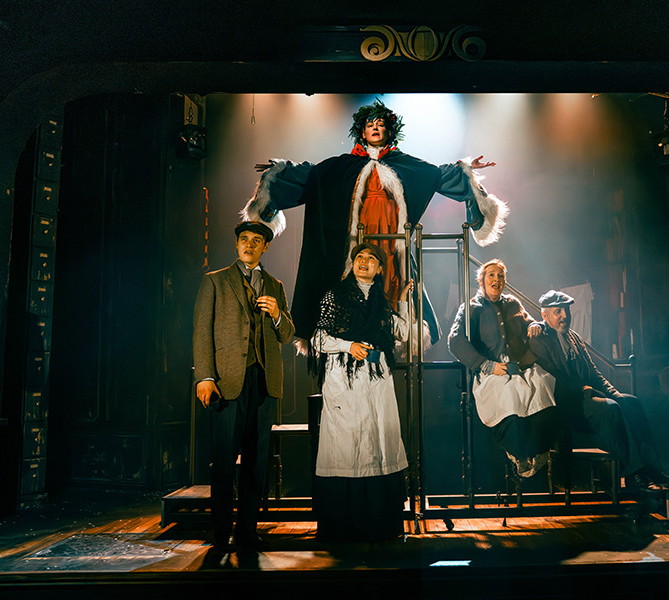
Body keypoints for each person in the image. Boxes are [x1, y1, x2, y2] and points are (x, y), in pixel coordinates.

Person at [242, 99, 509, 348]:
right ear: (362, 131)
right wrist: (279, 173)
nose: (375, 128)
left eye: (380, 124)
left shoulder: (403, 165)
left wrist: (464, 169)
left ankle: (389, 331)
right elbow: (313, 176)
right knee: (352, 283)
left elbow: (436, 175)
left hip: (390, 241)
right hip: (356, 241)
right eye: (370, 124)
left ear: (389, 131)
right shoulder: (343, 166)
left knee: (392, 283)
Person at [192, 220, 295, 551]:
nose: (249, 245)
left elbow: (287, 334)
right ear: (237, 245)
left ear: (265, 247)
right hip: (227, 381)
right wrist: (205, 377)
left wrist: (278, 314)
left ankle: (248, 532)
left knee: (256, 461)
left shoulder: (275, 285)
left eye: (256, 241)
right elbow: (202, 332)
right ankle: (221, 532)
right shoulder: (215, 281)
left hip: (264, 383)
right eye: (244, 240)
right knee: (224, 461)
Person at [309, 242, 412, 543]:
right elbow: (318, 339)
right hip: (345, 379)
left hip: (376, 379)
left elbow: (404, 332)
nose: (364, 262)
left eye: (371, 259)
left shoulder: (381, 303)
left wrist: (402, 301)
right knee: (347, 445)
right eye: (359, 258)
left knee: (378, 442)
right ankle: (342, 527)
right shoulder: (336, 296)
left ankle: (380, 525)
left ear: (379, 269)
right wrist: (348, 346)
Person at [527, 290, 669, 492]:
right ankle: (634, 474)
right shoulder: (539, 338)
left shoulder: (573, 337)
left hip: (586, 397)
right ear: (545, 315)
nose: (564, 316)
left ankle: (651, 467)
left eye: (566, 310)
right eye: (558, 311)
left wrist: (614, 393)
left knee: (631, 402)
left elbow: (594, 373)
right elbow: (555, 377)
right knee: (611, 409)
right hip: (566, 405)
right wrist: (589, 391)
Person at [447, 259, 560, 478]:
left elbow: (529, 322)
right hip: (493, 372)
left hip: (520, 367)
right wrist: (485, 364)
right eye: (491, 275)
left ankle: (538, 451)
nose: (496, 279)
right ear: (481, 280)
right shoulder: (471, 307)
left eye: (501, 276)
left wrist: (535, 325)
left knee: (542, 387)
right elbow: (455, 340)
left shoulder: (513, 304)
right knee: (509, 397)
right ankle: (519, 454)